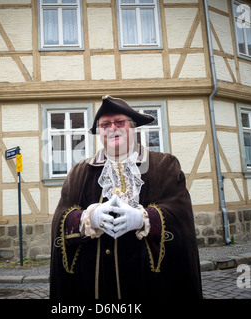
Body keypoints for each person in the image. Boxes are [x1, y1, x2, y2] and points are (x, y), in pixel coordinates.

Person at [50, 95, 202, 299]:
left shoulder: (165, 165)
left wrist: (143, 219)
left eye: (119, 122)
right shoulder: (79, 172)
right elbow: (60, 218)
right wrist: (89, 218)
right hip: (94, 288)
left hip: (150, 285)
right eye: (105, 125)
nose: (112, 128)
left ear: (133, 127)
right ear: (100, 132)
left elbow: (181, 215)